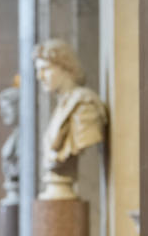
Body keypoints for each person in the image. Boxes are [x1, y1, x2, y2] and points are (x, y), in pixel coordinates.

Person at [33, 39, 107, 199]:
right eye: (38, 70)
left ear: (65, 67)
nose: (40, 76)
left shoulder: (84, 104)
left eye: (45, 69)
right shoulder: (60, 107)